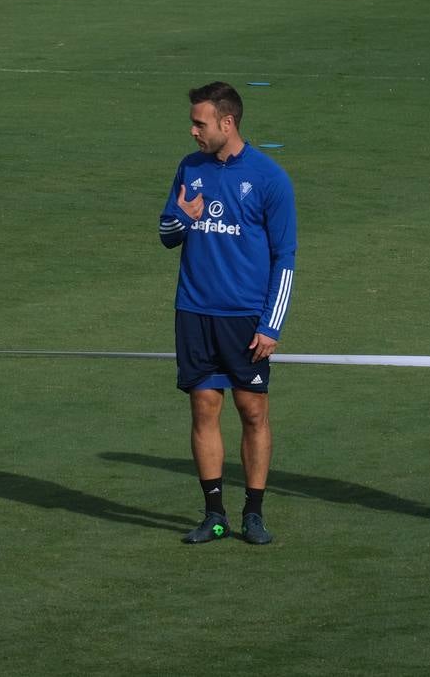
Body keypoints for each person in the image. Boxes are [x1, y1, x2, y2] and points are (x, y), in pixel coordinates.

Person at [159, 83, 296, 546]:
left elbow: (286, 257)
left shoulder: (269, 177)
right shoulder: (189, 167)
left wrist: (271, 324)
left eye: (200, 123)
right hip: (194, 311)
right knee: (203, 407)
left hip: (245, 317)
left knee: (252, 410)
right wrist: (184, 218)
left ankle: (253, 512)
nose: (193, 130)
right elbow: (166, 232)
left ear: (227, 122)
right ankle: (214, 514)